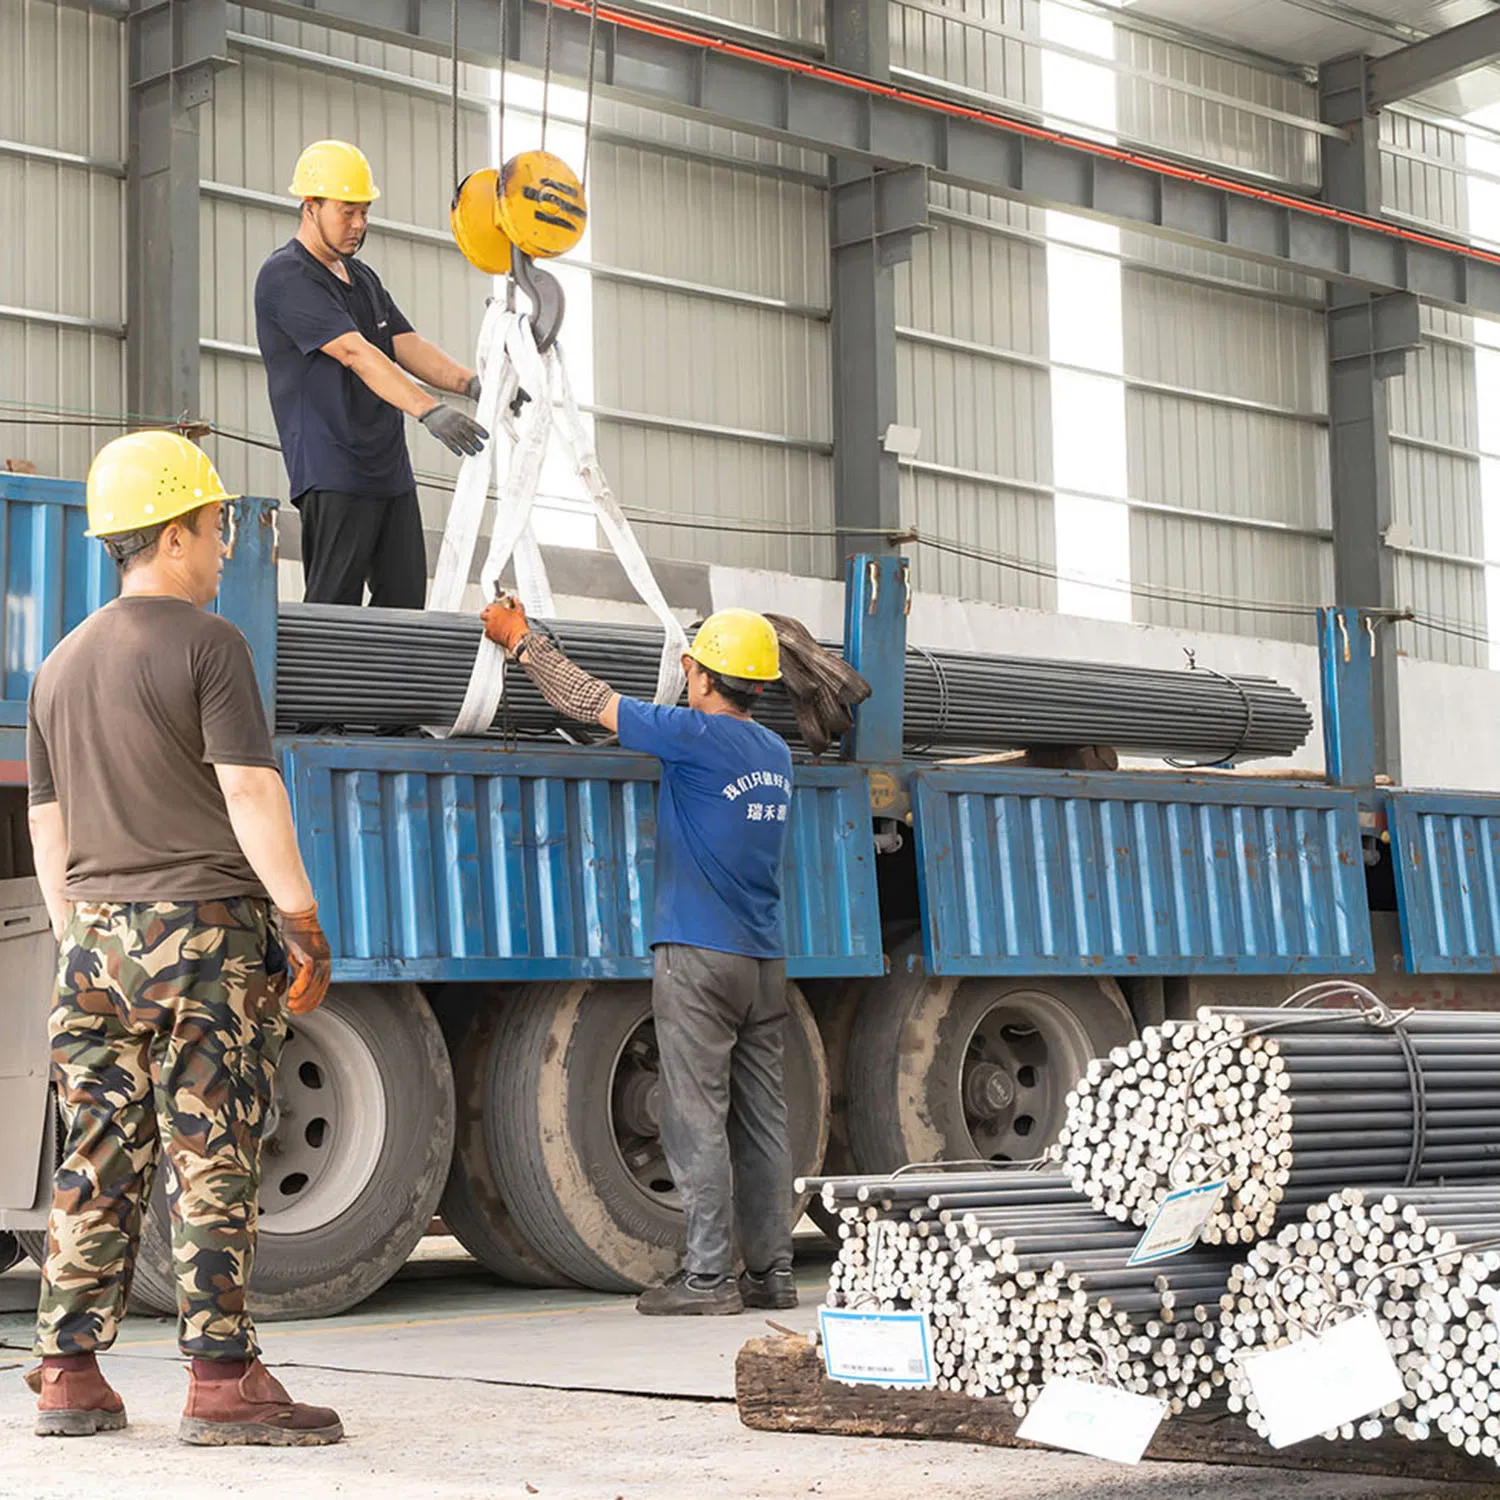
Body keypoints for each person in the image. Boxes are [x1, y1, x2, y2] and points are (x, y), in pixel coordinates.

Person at [23, 430, 340, 1445]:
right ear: (170, 534)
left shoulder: (59, 664)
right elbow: (248, 788)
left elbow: (48, 824)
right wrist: (301, 921)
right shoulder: (211, 646)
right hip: (203, 934)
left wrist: (85, 935)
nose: (220, 548)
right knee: (212, 1150)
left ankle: (68, 1372)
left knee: (97, 1152)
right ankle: (220, 1381)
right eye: (214, 528)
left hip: (96, 941)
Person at [482, 596, 799, 1316]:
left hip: (700, 955)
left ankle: (709, 1279)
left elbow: (588, 701)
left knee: (695, 1117)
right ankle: (771, 1274)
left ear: (706, 677)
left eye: (692, 666)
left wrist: (523, 641)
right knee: (762, 1120)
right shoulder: (776, 755)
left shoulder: (694, 735)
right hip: (763, 959)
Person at [254, 139, 489, 609]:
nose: (359, 225)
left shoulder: (362, 279)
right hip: (333, 470)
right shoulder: (286, 277)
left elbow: (405, 344)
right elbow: (355, 352)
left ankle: (394, 685)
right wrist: (429, 410)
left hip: (389, 473)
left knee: (404, 606)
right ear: (311, 207)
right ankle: (324, 686)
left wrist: (475, 384)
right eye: (347, 212)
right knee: (334, 610)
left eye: (364, 212)